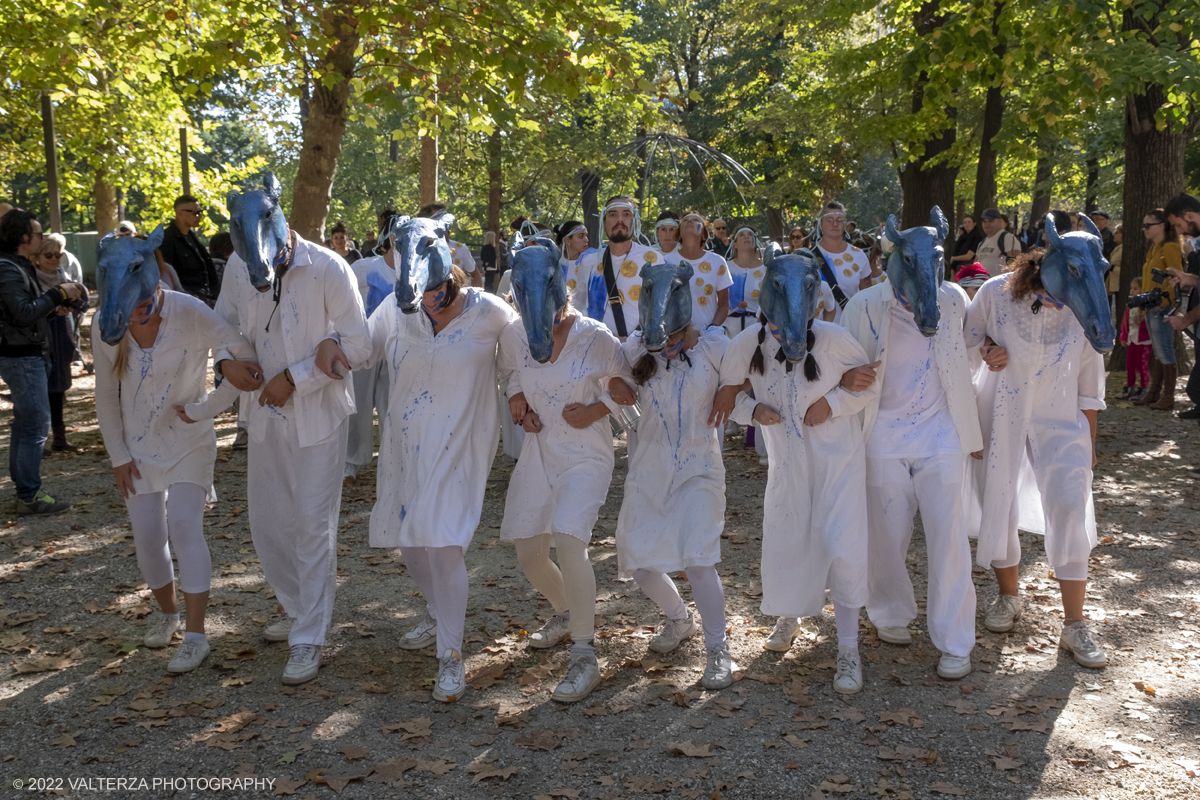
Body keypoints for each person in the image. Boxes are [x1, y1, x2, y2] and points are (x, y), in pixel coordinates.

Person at [215, 176, 372, 686]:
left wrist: (297, 377)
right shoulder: (240, 267)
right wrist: (226, 363)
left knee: (311, 524)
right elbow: (225, 324)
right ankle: (298, 606)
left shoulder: (329, 267)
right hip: (262, 417)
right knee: (267, 523)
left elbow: (361, 345)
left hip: (318, 420)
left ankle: (310, 634)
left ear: (281, 218)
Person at [360, 222, 517, 703]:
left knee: (443, 544)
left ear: (449, 270)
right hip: (405, 449)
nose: (426, 302)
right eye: (418, 295)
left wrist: (531, 403)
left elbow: (525, 360)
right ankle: (434, 611)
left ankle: (451, 656)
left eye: (434, 293)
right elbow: (357, 351)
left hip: (461, 448)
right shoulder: (395, 308)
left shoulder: (489, 312)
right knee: (410, 543)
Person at [840, 221, 1000, 682]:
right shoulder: (865, 305)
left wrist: (991, 351)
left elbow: (969, 351)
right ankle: (890, 611)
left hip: (940, 435)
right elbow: (839, 360)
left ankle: (954, 638)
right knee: (886, 535)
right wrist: (847, 379)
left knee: (948, 539)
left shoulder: (952, 298)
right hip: (882, 436)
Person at [714, 249, 871, 694]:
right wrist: (753, 409)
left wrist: (834, 402)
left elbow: (867, 387)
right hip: (788, 467)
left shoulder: (836, 340)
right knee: (789, 540)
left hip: (838, 466)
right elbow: (725, 400)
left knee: (842, 547)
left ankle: (847, 648)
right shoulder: (747, 345)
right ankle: (790, 614)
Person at [95, 274, 256, 674]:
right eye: (127, 311)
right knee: (149, 538)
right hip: (137, 447)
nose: (136, 316)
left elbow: (245, 360)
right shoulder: (107, 322)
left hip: (189, 440)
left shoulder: (190, 311)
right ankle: (167, 615)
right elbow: (105, 394)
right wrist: (118, 455)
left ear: (156, 292)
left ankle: (196, 637)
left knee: (184, 526)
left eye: (143, 306)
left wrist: (207, 408)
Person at [965, 239, 1108, 669]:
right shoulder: (995, 292)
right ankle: (1009, 596)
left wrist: (1090, 444)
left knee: (1068, 506)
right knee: (999, 501)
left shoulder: (1084, 307)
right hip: (999, 411)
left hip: (1061, 420)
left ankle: (1075, 624)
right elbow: (965, 344)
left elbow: (1090, 385)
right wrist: (989, 348)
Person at [498, 283, 629, 704]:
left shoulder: (595, 336)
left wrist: (596, 409)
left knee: (570, 542)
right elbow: (512, 371)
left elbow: (630, 386)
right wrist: (517, 398)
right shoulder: (515, 333)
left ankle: (584, 653)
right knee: (529, 553)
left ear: (561, 293)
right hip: (540, 451)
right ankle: (566, 612)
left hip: (586, 454)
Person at [618, 282, 734, 690]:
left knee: (698, 558)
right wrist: (614, 393)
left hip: (700, 468)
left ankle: (718, 649)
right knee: (639, 562)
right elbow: (607, 383)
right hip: (649, 469)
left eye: (669, 338)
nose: (662, 347)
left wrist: (732, 392)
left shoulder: (714, 347)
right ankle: (679, 619)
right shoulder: (634, 350)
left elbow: (747, 377)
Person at [0, 210, 83, 515]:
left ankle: (26, 491)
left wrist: (53, 310)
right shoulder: (8, 268)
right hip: (21, 358)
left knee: (27, 424)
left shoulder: (17, 266)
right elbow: (21, 312)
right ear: (22, 238)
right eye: (37, 234)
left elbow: (20, 315)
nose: (40, 237)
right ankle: (29, 495)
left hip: (28, 354)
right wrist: (58, 292)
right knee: (35, 426)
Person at [570, 196, 656, 340]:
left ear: (635, 223)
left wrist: (634, 341)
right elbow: (579, 306)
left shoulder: (652, 259)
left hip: (638, 351)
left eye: (627, 214)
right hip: (597, 348)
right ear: (604, 223)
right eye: (613, 214)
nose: (620, 220)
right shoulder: (589, 261)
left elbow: (660, 310)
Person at [32, 237, 79, 452]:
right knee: (39, 389)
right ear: (36, 258)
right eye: (48, 255)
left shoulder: (63, 276)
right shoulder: (30, 280)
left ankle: (59, 438)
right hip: (40, 336)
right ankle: (37, 441)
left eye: (57, 255)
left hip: (61, 334)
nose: (53, 259)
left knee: (59, 387)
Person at [1133, 208, 1183, 410]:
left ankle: (1167, 396)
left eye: (1148, 225)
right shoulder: (1154, 249)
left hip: (1163, 308)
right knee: (1159, 352)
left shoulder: (1169, 247)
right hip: (1152, 307)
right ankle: (1154, 393)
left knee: (1165, 352)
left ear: (1162, 226)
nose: (1144, 229)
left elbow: (1177, 279)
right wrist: (1143, 308)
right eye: (1143, 225)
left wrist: (1169, 305)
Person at [663, 212, 732, 330]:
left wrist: (712, 329)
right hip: (675, 339)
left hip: (708, 337)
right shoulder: (665, 262)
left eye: (696, 220)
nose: (689, 221)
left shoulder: (717, 262)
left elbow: (724, 305)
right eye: (685, 220)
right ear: (679, 234)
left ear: (704, 234)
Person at [812, 201, 876, 323]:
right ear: (820, 223)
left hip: (852, 330)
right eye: (829, 220)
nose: (835, 224)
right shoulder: (808, 258)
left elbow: (868, 298)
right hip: (818, 333)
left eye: (839, 220)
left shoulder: (858, 255)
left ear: (845, 223)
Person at [156, 195, 220, 305]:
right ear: (180, 213)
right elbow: (166, 276)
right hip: (186, 302)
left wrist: (217, 296)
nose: (200, 216)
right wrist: (187, 295)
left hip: (205, 299)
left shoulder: (191, 237)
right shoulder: (167, 239)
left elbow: (209, 271)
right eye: (196, 212)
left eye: (201, 211)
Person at [419, 203, 482, 288]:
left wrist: (474, 300)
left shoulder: (461, 249)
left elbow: (475, 275)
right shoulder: (414, 251)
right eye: (439, 220)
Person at [1118, 277, 1152, 401]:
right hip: (1132, 339)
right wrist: (1123, 336)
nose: (1132, 291)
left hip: (1144, 341)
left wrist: (1142, 320)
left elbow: (1148, 325)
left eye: (1135, 288)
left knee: (1143, 365)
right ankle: (1130, 387)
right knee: (1130, 365)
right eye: (1131, 288)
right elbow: (1125, 322)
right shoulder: (1130, 305)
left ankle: (1144, 389)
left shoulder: (1146, 307)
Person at [974, 208, 1022, 276]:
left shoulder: (1007, 238)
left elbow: (1017, 264)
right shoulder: (981, 243)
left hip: (1001, 284)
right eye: (984, 221)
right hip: (982, 284)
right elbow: (975, 265)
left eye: (991, 220)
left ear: (1000, 221)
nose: (987, 224)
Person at [1105, 225, 1123, 310]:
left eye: (1116, 232)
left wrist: (1112, 268)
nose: (1113, 234)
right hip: (1114, 285)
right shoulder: (1118, 247)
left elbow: (1124, 269)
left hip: (1120, 285)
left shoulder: (1124, 248)